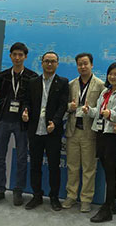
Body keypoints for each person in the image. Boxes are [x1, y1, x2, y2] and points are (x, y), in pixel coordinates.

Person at [0, 42, 37, 206]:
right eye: (14, 55)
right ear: (10, 56)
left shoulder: (32, 77)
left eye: (20, 55)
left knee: (21, 157)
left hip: (22, 123)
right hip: (3, 120)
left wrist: (27, 110)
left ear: (25, 57)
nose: (17, 58)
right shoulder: (3, 76)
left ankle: (18, 190)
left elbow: (33, 100)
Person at [23, 51, 69, 211]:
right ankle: (37, 195)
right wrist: (25, 111)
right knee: (35, 165)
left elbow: (63, 106)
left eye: (53, 61)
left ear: (57, 64)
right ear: (42, 63)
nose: (49, 64)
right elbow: (27, 101)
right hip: (35, 129)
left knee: (54, 166)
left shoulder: (63, 82)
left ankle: (54, 197)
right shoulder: (33, 82)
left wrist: (55, 122)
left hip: (52, 131)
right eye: (47, 61)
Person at [82, 62, 116, 223]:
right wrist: (89, 110)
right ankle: (113, 202)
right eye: (110, 74)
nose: (112, 77)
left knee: (110, 173)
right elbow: (98, 112)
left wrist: (110, 114)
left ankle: (107, 208)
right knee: (106, 170)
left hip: (112, 136)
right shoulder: (105, 92)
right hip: (100, 133)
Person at [63, 53, 105, 213]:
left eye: (85, 63)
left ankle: (86, 199)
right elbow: (64, 105)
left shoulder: (100, 85)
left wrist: (91, 110)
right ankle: (71, 196)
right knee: (72, 166)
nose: (82, 66)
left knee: (89, 168)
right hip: (73, 131)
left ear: (91, 65)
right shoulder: (72, 84)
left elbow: (102, 108)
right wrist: (70, 106)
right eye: (80, 64)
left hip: (89, 132)